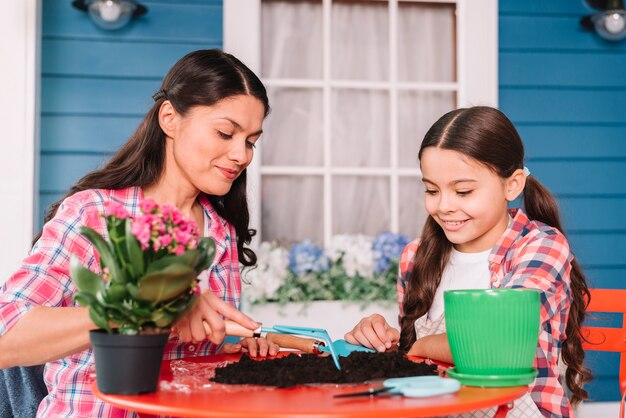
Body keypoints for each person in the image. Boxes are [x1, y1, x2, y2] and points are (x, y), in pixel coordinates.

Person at [0, 49, 280, 417]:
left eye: (250, 141)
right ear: (170, 119)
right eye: (225, 133)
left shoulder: (221, 234)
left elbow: (189, 358)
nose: (241, 155)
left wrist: (232, 347)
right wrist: (141, 308)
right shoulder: (95, 213)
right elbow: (7, 335)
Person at [345, 106, 591, 417]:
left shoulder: (541, 246)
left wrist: (415, 347)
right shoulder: (416, 256)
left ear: (512, 185)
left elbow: (496, 343)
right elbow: (418, 367)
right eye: (431, 190)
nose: (444, 206)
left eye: (463, 191)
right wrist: (384, 342)